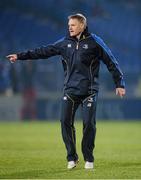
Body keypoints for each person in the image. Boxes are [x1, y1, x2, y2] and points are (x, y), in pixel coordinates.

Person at [6, 13, 126, 170]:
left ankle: (88, 158)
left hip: (89, 91)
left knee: (89, 124)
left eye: (73, 25)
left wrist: (119, 83)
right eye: (69, 25)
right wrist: (20, 56)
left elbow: (111, 61)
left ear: (82, 25)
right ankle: (72, 158)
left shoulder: (95, 42)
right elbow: (43, 51)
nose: (70, 27)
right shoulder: (64, 43)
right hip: (70, 90)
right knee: (64, 122)